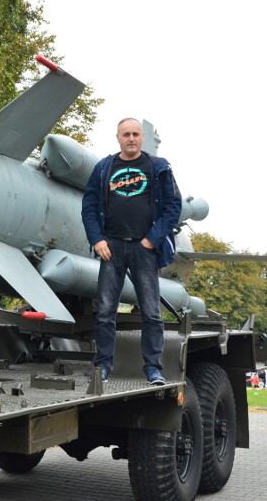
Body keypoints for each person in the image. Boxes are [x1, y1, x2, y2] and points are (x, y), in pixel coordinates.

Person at [81, 117, 182, 386]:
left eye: (136, 134)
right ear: (118, 138)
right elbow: (89, 206)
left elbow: (174, 206)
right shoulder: (104, 167)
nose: (131, 138)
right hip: (111, 248)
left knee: (151, 312)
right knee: (105, 312)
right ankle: (103, 366)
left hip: (144, 248)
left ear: (142, 138)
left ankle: (153, 369)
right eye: (126, 134)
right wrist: (97, 239)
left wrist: (153, 238)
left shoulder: (157, 167)